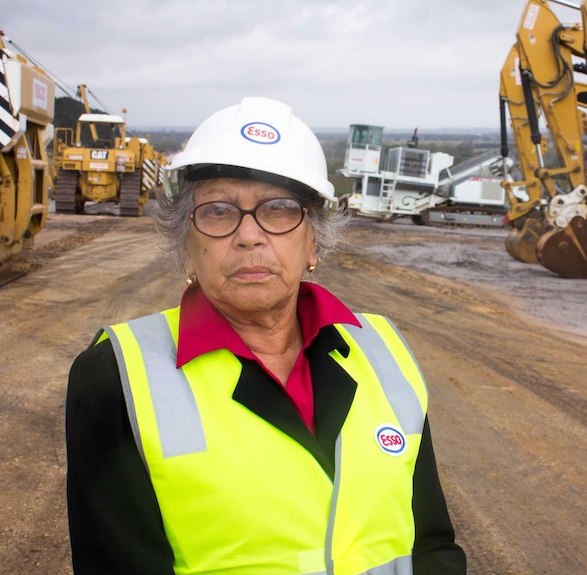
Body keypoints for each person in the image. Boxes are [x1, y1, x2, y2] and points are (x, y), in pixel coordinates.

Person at [65, 96, 467, 575]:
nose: (249, 236)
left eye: (278, 210)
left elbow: (433, 545)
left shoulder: (383, 351)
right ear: (186, 247)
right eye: (217, 211)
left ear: (313, 239)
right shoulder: (115, 378)